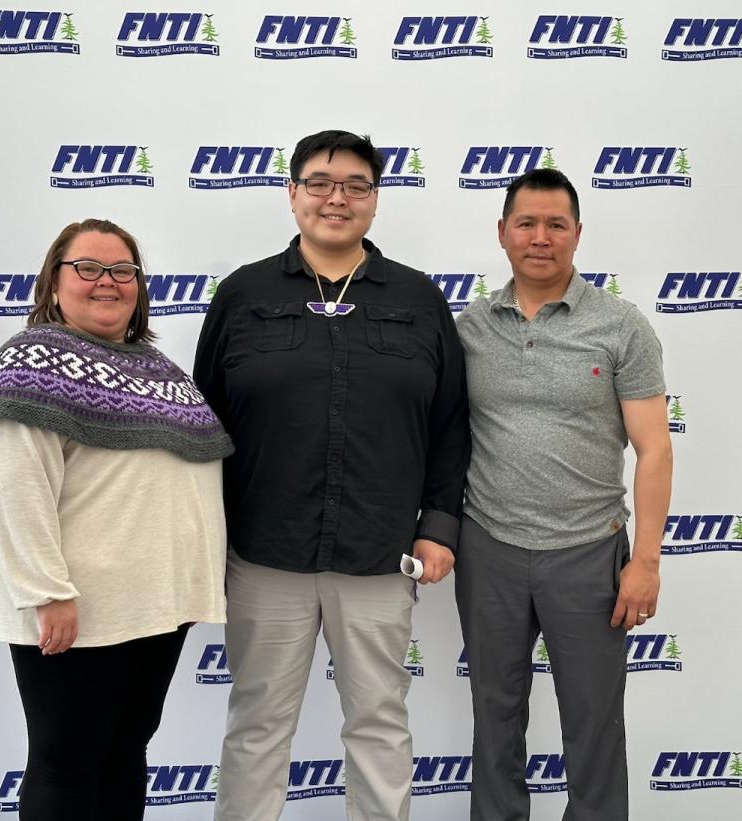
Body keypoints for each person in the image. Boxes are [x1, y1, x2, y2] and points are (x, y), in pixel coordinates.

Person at [193, 130, 470, 821]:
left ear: (375, 200)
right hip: (263, 556)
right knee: (257, 727)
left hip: (380, 555)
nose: (336, 197)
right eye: (319, 182)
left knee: (379, 724)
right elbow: (203, 423)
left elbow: (451, 424)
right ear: (292, 195)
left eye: (355, 185)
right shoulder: (242, 294)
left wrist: (439, 527)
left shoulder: (419, 299)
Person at [0, 219, 233, 821]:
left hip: (156, 608)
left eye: (123, 270)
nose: (107, 281)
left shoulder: (155, 366)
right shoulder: (30, 361)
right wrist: (44, 591)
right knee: (67, 763)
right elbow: (14, 487)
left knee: (124, 751)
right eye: (87, 268)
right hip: (77, 609)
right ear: (54, 282)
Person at [455, 169, 673, 820]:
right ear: (502, 233)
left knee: (594, 725)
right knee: (495, 718)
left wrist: (647, 561)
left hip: (589, 555)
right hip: (488, 548)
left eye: (556, 224)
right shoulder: (470, 327)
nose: (541, 237)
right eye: (526, 223)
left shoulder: (621, 326)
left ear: (578, 233)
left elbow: (655, 447)